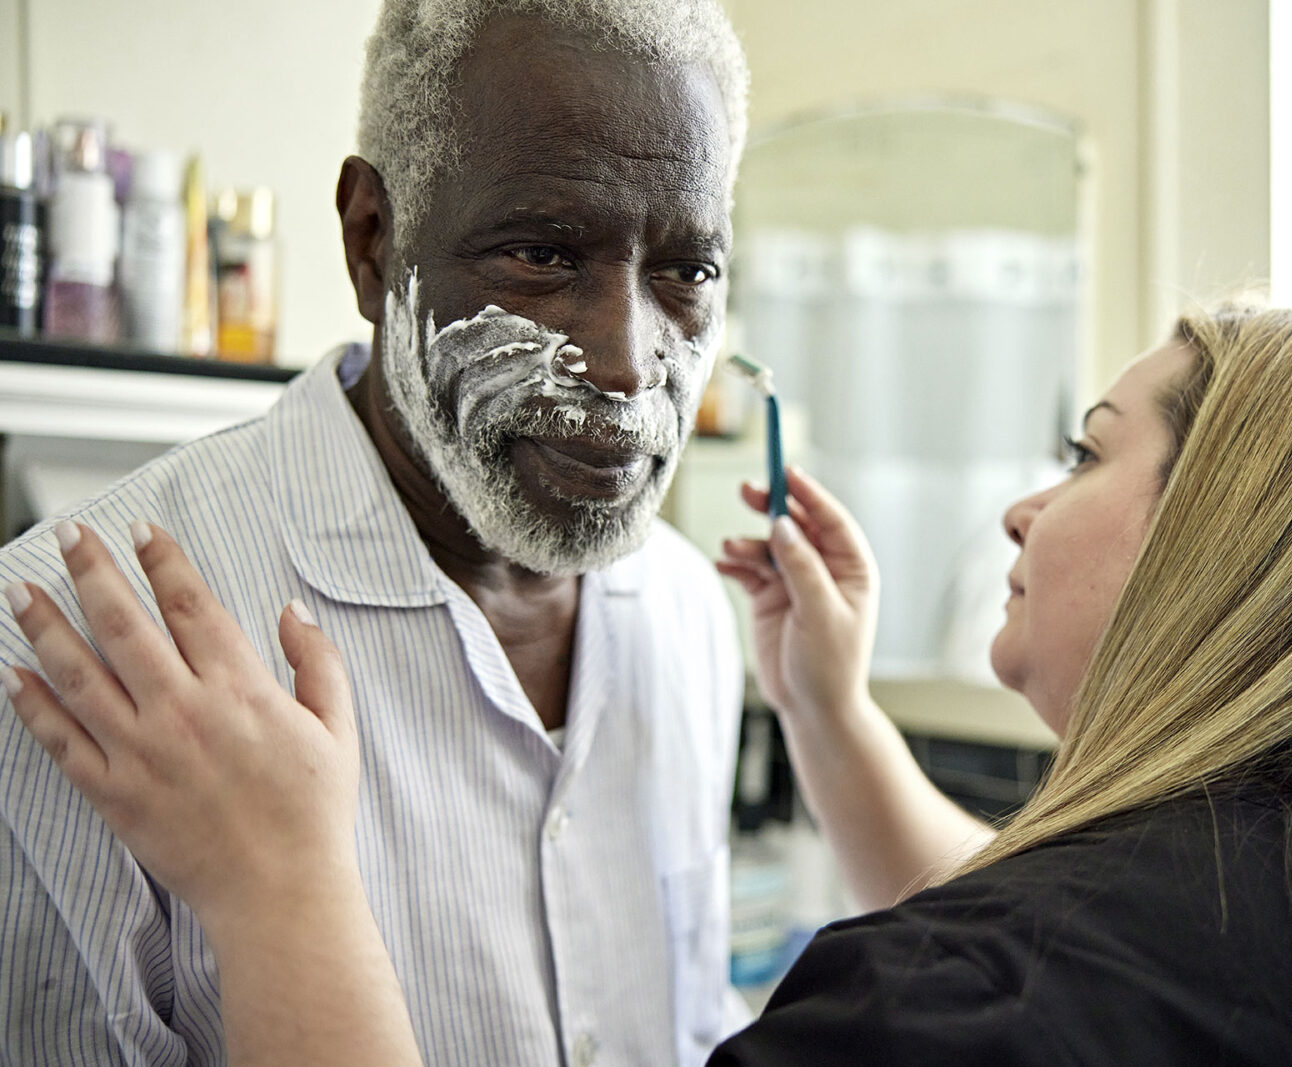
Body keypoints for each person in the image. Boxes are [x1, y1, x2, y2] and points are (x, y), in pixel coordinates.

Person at [10, 304, 1292, 1065]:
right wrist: (832, 714)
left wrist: (284, 885)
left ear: (1234, 540)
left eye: (1085, 452)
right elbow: (1097, 938)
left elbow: (1033, 978)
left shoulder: (969, 1010)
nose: (1024, 506)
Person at [0, 2, 753, 1064]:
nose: (630, 363)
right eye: (541, 254)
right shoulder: (75, 649)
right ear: (371, 241)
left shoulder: (688, 611)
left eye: (689, 272)